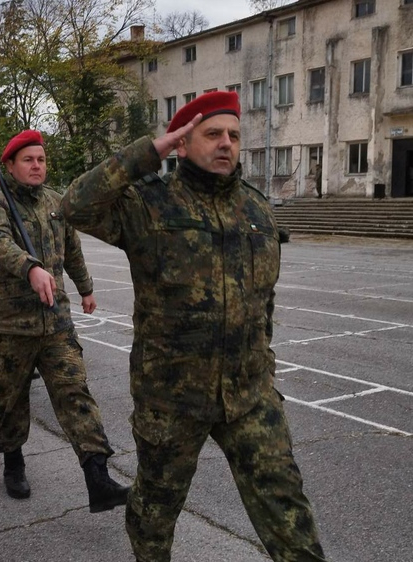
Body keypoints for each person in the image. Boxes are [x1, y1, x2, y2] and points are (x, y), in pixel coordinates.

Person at [61, 91, 327, 562]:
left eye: (234, 135)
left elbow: (262, 305)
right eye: (212, 134)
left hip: (249, 395)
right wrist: (150, 152)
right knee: (155, 511)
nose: (226, 143)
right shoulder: (148, 204)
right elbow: (75, 206)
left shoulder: (257, 210)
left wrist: (263, 372)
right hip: (173, 397)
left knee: (288, 510)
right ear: (183, 143)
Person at [0, 130, 128, 512]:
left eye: (41, 159)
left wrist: (86, 287)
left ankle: (98, 478)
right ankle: (13, 463)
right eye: (28, 160)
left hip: (56, 321)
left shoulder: (56, 202)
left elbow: (72, 249)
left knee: (75, 393)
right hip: (13, 327)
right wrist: (31, 268)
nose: (36, 166)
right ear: (9, 165)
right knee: (11, 401)